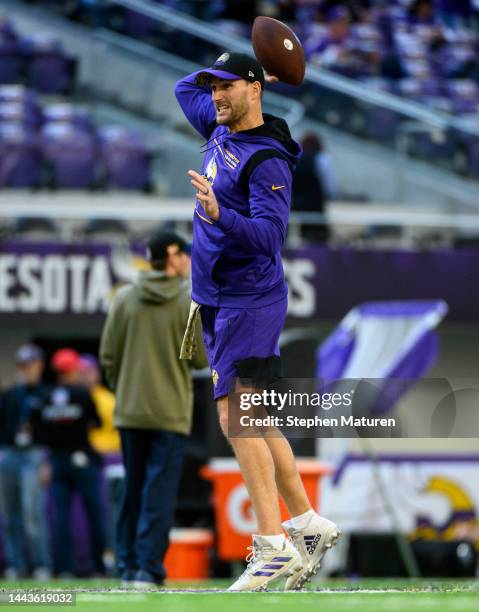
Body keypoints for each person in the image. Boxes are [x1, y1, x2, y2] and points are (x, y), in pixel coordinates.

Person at [175, 52, 341, 591]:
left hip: (249, 298)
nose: (215, 96)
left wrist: (223, 216)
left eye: (227, 86)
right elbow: (183, 87)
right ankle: (307, 525)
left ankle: (272, 546)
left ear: (254, 91)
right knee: (256, 419)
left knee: (235, 418)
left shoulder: (267, 158)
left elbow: (271, 239)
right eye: (215, 87)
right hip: (219, 298)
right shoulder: (219, 121)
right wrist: (247, 73)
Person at [99, 231, 207, 588]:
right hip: (170, 415)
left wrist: (127, 390)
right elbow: (199, 359)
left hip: (130, 413)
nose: (189, 260)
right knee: (158, 493)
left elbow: (108, 357)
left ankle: (126, 567)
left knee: (132, 488)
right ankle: (147, 569)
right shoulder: (188, 301)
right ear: (173, 256)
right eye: (185, 254)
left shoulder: (125, 299)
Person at [30, 348, 106, 577]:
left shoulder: (45, 397)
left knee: (61, 518)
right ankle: (99, 569)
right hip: (82, 458)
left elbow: (38, 432)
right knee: (95, 514)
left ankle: (64, 569)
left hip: (56, 460)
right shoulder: (83, 394)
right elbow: (97, 423)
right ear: (74, 369)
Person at [0, 344, 52, 580]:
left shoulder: (47, 395)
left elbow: (54, 431)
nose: (26, 369)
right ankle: (15, 564)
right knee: (9, 514)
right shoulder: (10, 395)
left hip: (34, 454)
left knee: (32, 513)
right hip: (9, 453)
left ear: (40, 365)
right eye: (22, 365)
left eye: (30, 364)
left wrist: (46, 461)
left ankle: (41, 564)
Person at [79, 354, 120, 456]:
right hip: (81, 454)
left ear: (97, 373)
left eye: (88, 372)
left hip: (110, 454)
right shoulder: (73, 399)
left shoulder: (109, 399)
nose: (84, 376)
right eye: (80, 373)